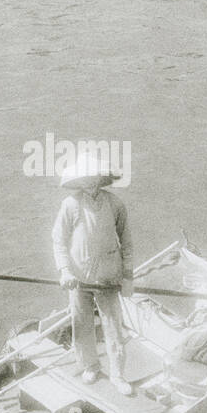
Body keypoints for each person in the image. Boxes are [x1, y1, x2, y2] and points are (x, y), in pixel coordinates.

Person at [52, 152, 134, 396]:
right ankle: (90, 365)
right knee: (81, 323)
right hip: (78, 277)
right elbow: (58, 240)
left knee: (113, 325)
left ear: (100, 178)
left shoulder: (115, 204)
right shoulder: (70, 205)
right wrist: (64, 271)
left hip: (108, 277)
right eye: (84, 178)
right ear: (78, 181)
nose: (89, 182)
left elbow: (127, 241)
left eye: (92, 177)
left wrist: (128, 276)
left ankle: (118, 374)